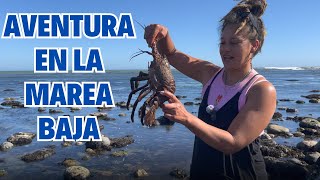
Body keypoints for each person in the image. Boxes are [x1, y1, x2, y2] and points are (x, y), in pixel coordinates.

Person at [144, 0, 276, 179]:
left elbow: (233, 142)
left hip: (241, 174)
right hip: (202, 170)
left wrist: (186, 117)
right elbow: (172, 54)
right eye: (222, 42)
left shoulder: (261, 90)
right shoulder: (210, 74)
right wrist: (163, 34)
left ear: (254, 46)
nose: (226, 49)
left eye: (234, 43)